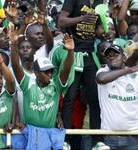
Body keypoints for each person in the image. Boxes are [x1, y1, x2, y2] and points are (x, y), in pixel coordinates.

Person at [58, 0, 109, 148]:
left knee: (95, 98)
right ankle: (65, 140)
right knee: (70, 98)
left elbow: (97, 29)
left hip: (90, 54)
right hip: (74, 53)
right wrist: (82, 18)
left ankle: (97, 140)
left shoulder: (100, 2)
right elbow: (61, 21)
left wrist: (102, 32)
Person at [96, 44, 138, 150]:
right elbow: (101, 79)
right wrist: (129, 70)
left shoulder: (136, 76)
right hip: (110, 137)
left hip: (133, 136)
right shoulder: (102, 72)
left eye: (115, 54)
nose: (111, 57)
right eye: (109, 56)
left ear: (124, 58)